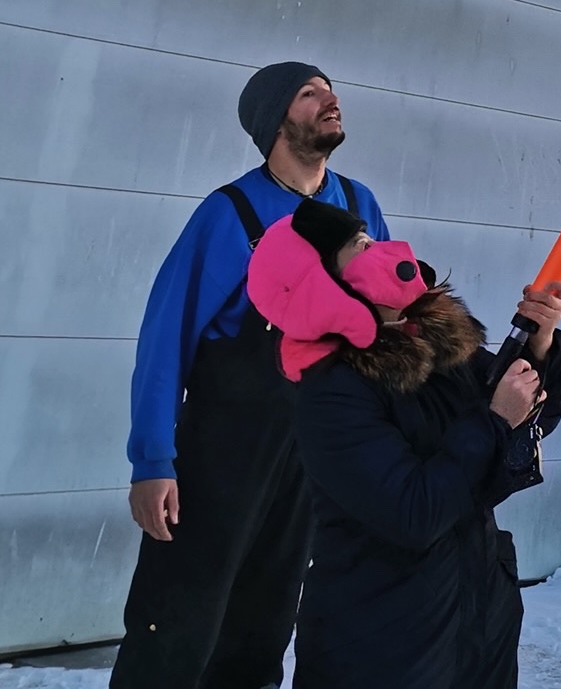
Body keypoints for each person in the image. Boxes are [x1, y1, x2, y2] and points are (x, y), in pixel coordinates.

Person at [114, 63, 389, 689]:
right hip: (221, 449)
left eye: (331, 88)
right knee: (178, 619)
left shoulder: (358, 206)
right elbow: (166, 340)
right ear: (275, 118)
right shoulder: (230, 213)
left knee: (264, 624)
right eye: (309, 92)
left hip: (312, 448)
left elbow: (393, 323)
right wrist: (153, 461)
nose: (331, 98)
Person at [245, 199, 561, 689]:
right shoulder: (332, 392)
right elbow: (413, 512)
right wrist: (493, 422)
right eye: (358, 248)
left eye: (371, 239)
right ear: (323, 287)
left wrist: (540, 348)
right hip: (384, 644)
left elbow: (529, 419)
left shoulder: (435, 344)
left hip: (476, 623)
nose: (380, 250)